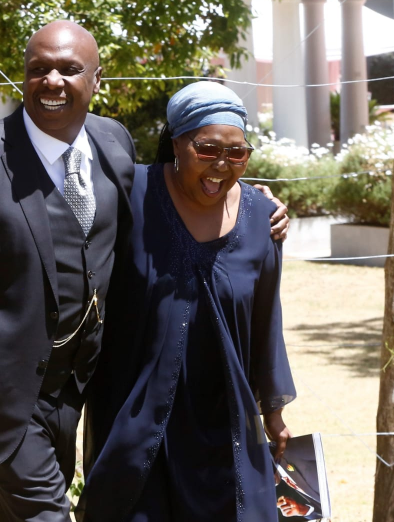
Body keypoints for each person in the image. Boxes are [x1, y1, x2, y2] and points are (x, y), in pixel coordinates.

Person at [0, 21, 290, 522]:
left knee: (12, 515)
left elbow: (181, 197)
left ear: (96, 80)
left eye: (69, 69)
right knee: (49, 516)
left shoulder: (113, 143)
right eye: (39, 69)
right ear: (23, 77)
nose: (52, 81)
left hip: (76, 391)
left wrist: (256, 202)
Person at [77, 81, 297, 522]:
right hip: (134, 416)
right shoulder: (129, 194)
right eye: (207, 148)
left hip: (225, 420)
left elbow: (265, 318)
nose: (222, 165)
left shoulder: (261, 218)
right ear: (176, 140)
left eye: (237, 154)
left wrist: (272, 412)